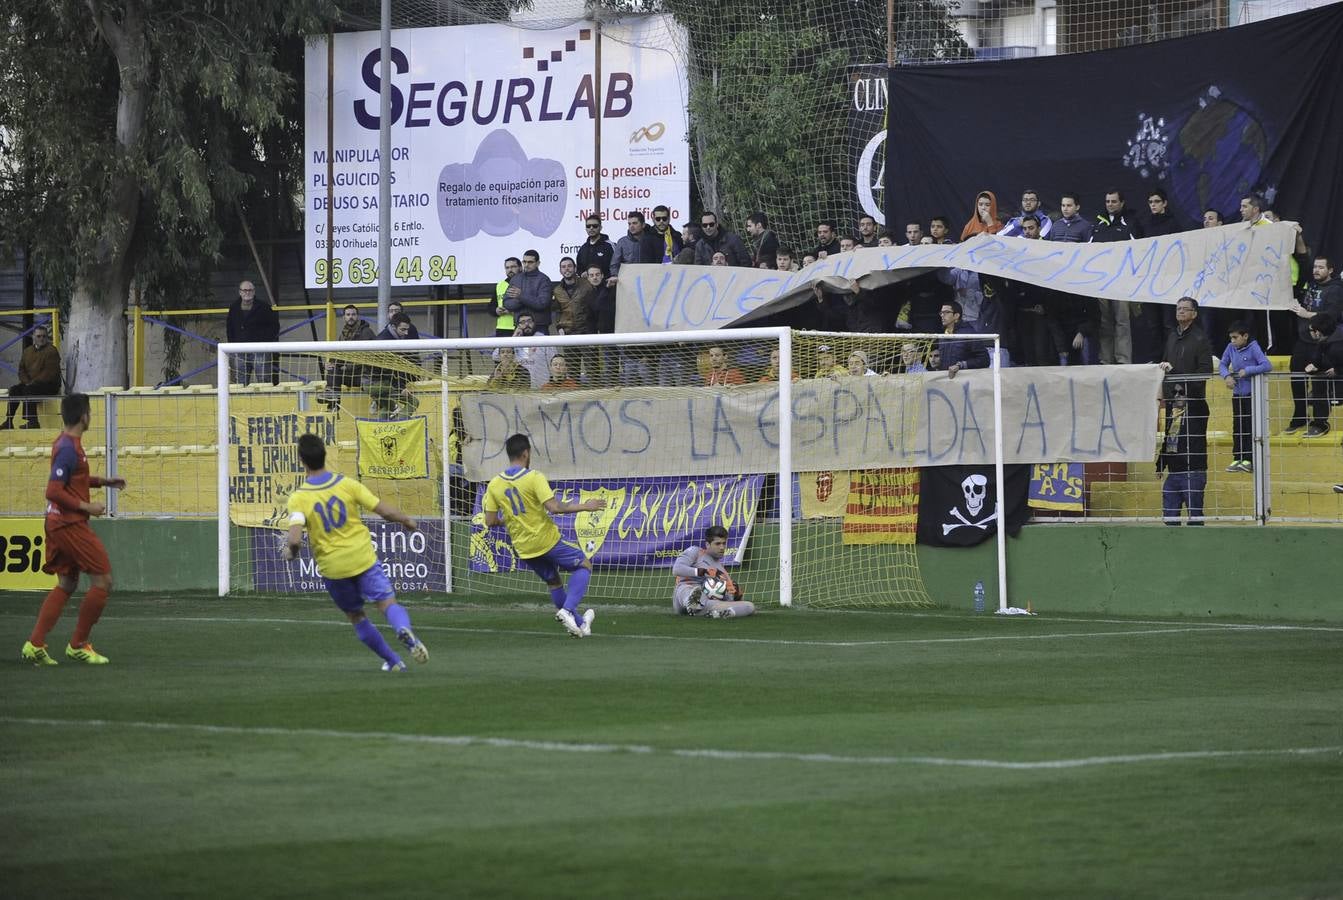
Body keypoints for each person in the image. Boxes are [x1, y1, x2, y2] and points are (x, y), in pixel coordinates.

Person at [283, 434, 428, 671]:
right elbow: (383, 511)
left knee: (357, 617)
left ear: (302, 460)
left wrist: (292, 552)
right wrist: (407, 520)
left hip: (334, 568)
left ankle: (393, 662)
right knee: (386, 603)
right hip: (362, 558)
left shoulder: (298, 498)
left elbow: (295, 538)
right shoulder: (347, 484)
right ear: (325, 455)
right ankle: (403, 629)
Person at [21, 393, 126, 666]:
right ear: (84, 416)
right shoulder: (69, 448)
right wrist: (86, 507)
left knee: (67, 583)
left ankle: (35, 644)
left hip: (57, 522)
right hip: (68, 523)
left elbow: (72, 479)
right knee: (103, 580)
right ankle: (78, 644)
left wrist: (103, 481)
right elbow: (53, 490)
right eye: (90, 412)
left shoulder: (66, 443)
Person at [483, 433, 606, 637]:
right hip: (546, 540)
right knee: (584, 564)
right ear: (526, 453)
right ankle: (566, 610)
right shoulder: (533, 477)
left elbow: (490, 521)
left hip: (523, 548)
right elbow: (554, 507)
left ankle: (579, 624)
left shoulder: (494, 484)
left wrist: (513, 518)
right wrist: (586, 506)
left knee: (554, 582)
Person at [1286, 256, 1343, 434]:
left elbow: (1331, 317)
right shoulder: (1311, 284)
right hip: (1303, 340)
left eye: (1320, 267)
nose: (1316, 270)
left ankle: (1320, 422)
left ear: (1330, 270)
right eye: (1315, 267)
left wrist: (1305, 314)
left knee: (1319, 382)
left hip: (1322, 342)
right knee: (1296, 377)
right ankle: (1300, 416)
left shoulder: (1335, 290)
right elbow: (1302, 259)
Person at [1219, 322, 1273, 473]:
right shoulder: (1230, 348)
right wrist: (1226, 376)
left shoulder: (1254, 347)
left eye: (1235, 337)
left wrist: (1248, 370)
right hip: (1237, 393)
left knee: (1250, 425)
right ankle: (1238, 457)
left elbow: (1266, 365)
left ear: (1245, 336)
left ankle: (1249, 459)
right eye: (1231, 338)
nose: (1233, 341)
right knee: (1238, 426)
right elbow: (1222, 364)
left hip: (1252, 394)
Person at [670, 525, 755, 618]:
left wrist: (736, 595)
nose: (722, 547)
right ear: (707, 544)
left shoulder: (722, 572)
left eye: (724, 543)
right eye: (718, 544)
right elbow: (677, 569)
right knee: (692, 590)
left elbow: (726, 599)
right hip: (683, 596)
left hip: (707, 602)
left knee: (749, 606)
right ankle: (693, 602)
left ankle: (718, 613)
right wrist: (701, 572)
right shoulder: (696, 552)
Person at [1157, 380, 1208, 526]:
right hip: (1173, 473)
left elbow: (1197, 393)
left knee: (1195, 516)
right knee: (1169, 515)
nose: (1178, 396)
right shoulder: (1172, 415)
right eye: (1175, 393)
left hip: (1193, 472)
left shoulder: (1198, 412)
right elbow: (1168, 439)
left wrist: (1176, 373)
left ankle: (1197, 545)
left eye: (1182, 393)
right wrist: (1160, 464)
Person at [3, 323, 61, 430]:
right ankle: (9, 421)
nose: (41, 339)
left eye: (44, 336)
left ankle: (33, 421)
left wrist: (32, 383)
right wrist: (26, 382)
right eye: (39, 336)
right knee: (14, 390)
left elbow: (49, 373)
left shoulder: (51, 350)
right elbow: (21, 370)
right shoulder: (27, 351)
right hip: (30, 383)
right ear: (33, 337)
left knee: (29, 390)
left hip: (49, 385)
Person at [225, 280, 280, 385]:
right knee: (238, 383)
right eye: (245, 290)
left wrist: (265, 342)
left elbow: (274, 326)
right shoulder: (234, 308)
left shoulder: (264, 307)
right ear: (240, 292)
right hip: (238, 351)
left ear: (254, 292)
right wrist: (232, 344)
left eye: (250, 290)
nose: (247, 293)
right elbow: (229, 327)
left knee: (264, 381)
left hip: (260, 351)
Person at [322, 305, 375, 410]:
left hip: (363, 375)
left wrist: (347, 367)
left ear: (357, 316)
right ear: (344, 317)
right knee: (333, 368)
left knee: (335, 371)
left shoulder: (366, 332)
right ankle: (333, 403)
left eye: (353, 314)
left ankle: (332, 404)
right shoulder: (344, 334)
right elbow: (339, 354)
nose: (351, 317)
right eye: (348, 314)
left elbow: (367, 358)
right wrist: (329, 364)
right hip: (350, 374)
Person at [503, 249, 556, 334]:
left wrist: (521, 296)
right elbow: (506, 303)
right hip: (520, 327)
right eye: (524, 262)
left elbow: (542, 304)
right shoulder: (516, 279)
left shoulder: (544, 280)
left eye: (530, 262)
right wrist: (525, 299)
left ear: (538, 263)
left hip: (539, 326)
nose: (526, 265)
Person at [938, 300, 990, 378]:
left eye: (946, 312)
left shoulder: (968, 333)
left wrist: (961, 365)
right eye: (941, 313)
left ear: (956, 315)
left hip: (965, 381)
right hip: (945, 381)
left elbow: (984, 360)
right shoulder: (942, 335)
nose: (942, 315)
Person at [493, 257, 521, 338]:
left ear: (520, 267)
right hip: (502, 328)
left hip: (521, 327)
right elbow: (491, 306)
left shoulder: (525, 282)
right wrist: (496, 311)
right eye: (507, 267)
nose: (510, 270)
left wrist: (512, 311)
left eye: (513, 267)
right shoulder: (500, 285)